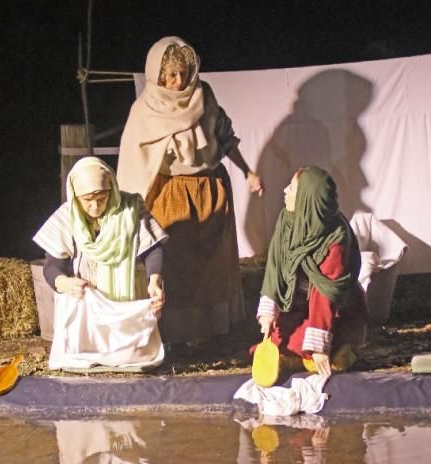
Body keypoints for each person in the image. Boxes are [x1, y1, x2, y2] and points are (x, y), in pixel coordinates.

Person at [117, 36, 264, 346]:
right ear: (157, 74)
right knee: (176, 263)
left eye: (183, 72)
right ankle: (175, 333)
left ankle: (209, 332)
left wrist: (247, 171)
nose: (178, 80)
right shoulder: (146, 110)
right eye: (170, 74)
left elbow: (224, 138)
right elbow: (134, 159)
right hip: (171, 194)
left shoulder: (203, 96)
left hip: (211, 189)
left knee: (213, 264)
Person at [33, 156, 168, 370]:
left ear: (112, 189)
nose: (95, 205)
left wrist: (154, 280)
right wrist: (65, 283)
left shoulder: (130, 209)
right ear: (75, 196)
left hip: (124, 295)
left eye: (102, 198)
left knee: (132, 354)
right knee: (81, 350)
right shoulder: (67, 216)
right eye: (87, 200)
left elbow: (152, 249)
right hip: (89, 299)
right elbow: (53, 265)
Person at [257, 165, 367, 378]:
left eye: (292, 188)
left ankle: (330, 354)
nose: (284, 191)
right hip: (298, 304)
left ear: (307, 201)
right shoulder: (288, 222)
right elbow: (275, 266)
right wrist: (269, 311)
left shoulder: (335, 240)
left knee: (320, 345)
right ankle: (300, 358)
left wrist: (319, 346)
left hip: (335, 310)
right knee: (282, 339)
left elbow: (324, 293)